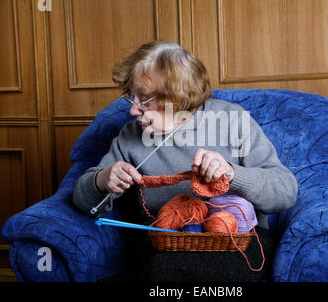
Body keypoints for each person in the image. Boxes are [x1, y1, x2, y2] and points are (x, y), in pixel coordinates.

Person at [73, 40, 298, 282]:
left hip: (236, 237)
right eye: (131, 97)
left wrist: (232, 174)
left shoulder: (233, 120)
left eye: (145, 100)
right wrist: (101, 180)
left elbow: (285, 191)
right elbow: (83, 201)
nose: (133, 110)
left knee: (224, 275)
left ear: (178, 97)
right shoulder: (130, 137)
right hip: (166, 239)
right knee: (164, 273)